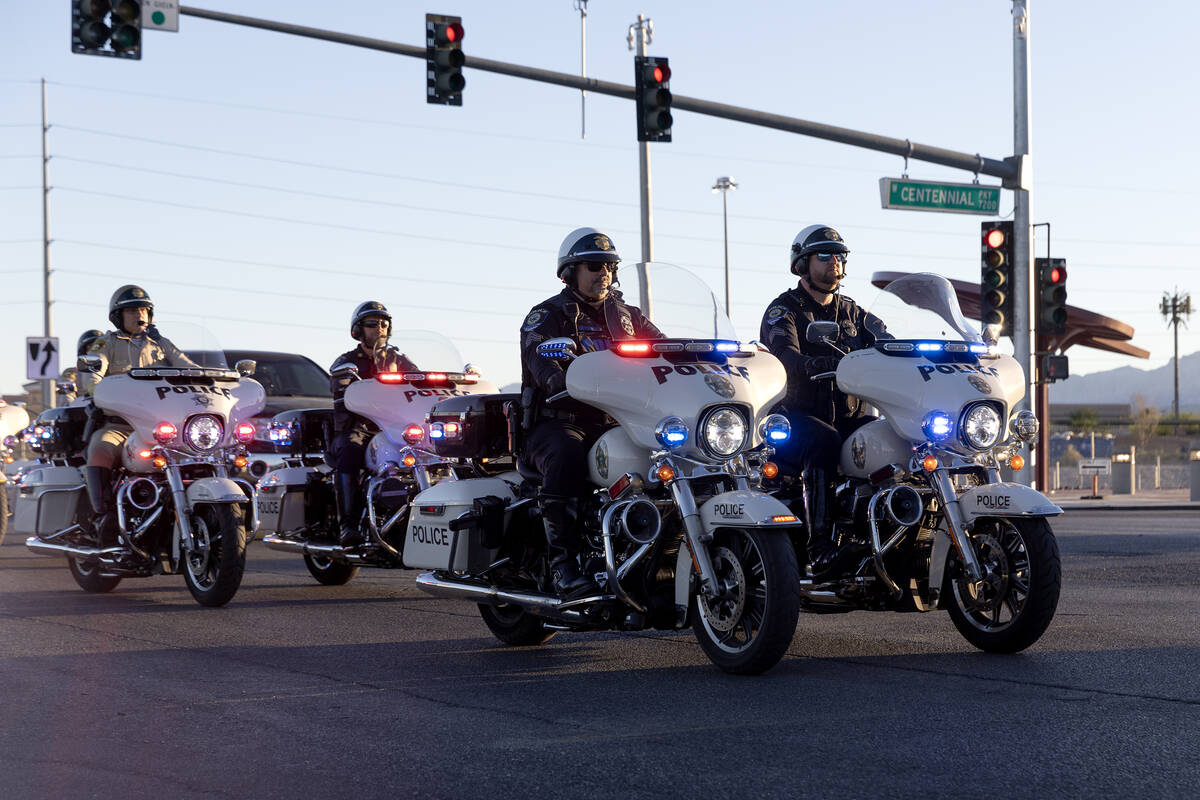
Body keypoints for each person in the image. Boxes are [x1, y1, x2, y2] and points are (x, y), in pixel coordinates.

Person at [520, 227, 664, 597]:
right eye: (594, 265)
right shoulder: (547, 315)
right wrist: (555, 375)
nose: (604, 273)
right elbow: (539, 357)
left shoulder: (630, 317)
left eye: (610, 266)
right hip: (560, 423)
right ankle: (563, 565)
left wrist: (707, 359)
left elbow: (667, 351)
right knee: (567, 454)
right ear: (570, 272)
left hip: (620, 421)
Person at [759, 225, 889, 576]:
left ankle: (887, 533)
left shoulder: (853, 312)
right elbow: (783, 353)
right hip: (797, 418)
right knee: (823, 441)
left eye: (840, 256)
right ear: (802, 263)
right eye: (825, 255)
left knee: (890, 437)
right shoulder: (784, 309)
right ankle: (820, 548)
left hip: (848, 416)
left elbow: (887, 342)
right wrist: (813, 362)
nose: (835, 262)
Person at [79, 286, 197, 545]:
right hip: (121, 425)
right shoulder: (106, 343)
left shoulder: (161, 344)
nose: (139, 315)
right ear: (118, 316)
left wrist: (214, 380)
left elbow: (191, 369)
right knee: (101, 449)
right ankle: (104, 515)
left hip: (162, 426)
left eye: (143, 310)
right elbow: (93, 372)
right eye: (132, 311)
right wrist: (95, 385)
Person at [329, 301, 417, 547]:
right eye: (372, 324)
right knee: (350, 452)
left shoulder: (399, 360)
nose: (379, 328)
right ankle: (348, 524)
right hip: (359, 429)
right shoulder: (347, 361)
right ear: (358, 330)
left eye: (383, 324)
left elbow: (420, 383)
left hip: (394, 428)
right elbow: (340, 394)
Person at [56, 330, 104, 404]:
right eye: (91, 347)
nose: (94, 351)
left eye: (98, 347)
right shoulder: (71, 373)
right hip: (84, 411)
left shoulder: (115, 372)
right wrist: (71, 409)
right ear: (83, 350)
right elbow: (67, 397)